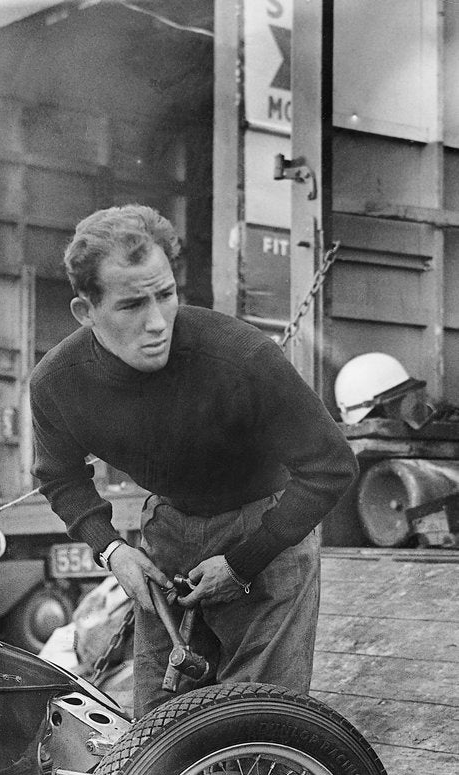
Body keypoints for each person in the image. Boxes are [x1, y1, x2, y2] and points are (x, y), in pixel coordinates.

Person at [30, 205, 358, 718]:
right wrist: (112, 550)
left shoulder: (242, 359)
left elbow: (332, 466)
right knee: (156, 733)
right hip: (168, 531)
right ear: (85, 311)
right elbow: (59, 476)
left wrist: (245, 561)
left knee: (259, 728)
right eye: (132, 304)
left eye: (165, 295)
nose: (157, 322)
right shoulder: (57, 383)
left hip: (265, 528)